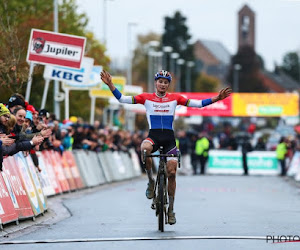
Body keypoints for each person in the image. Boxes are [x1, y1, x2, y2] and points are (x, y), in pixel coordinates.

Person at [100, 69, 232, 225]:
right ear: (156, 83)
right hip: (154, 137)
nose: (162, 84)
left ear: (168, 85)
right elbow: (122, 99)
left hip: (169, 139)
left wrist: (217, 98)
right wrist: (110, 85)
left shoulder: (175, 98)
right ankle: (150, 181)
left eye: (165, 82)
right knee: (144, 148)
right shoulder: (146, 97)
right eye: (160, 81)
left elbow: (198, 104)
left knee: (172, 172)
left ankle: (171, 210)